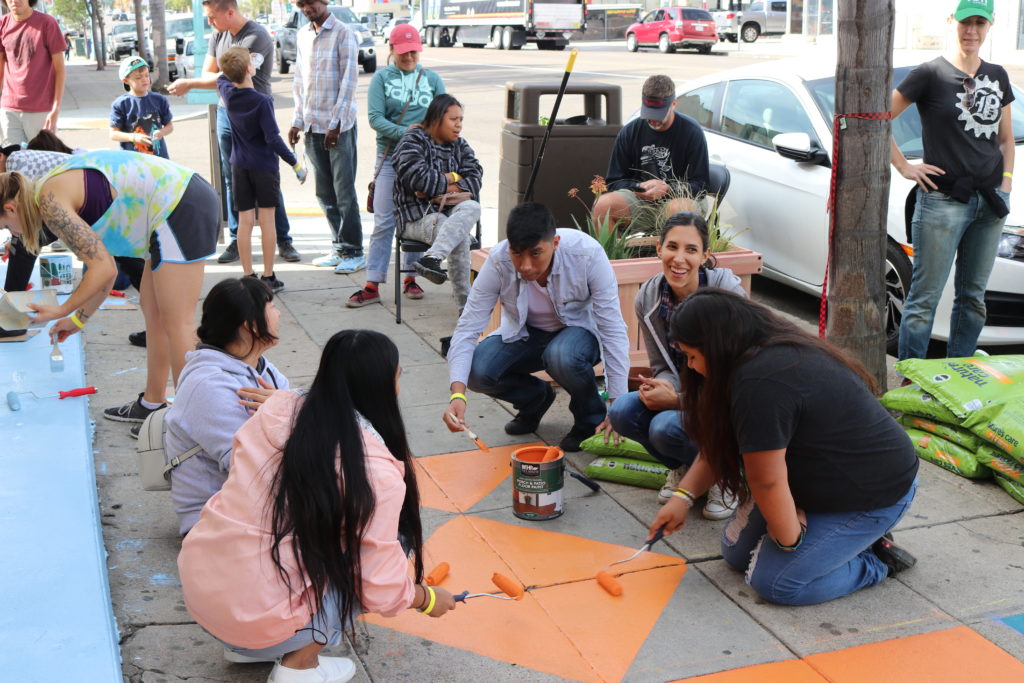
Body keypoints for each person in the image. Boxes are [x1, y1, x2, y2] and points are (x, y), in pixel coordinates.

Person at [178, 330, 456, 679]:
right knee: (390, 546)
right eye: (398, 376)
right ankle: (299, 667)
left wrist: (283, 401)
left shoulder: (278, 410)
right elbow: (379, 585)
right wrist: (426, 599)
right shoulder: (374, 470)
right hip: (255, 616)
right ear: (383, 387)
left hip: (202, 592)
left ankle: (250, 646)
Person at [650, 289, 919, 606]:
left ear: (717, 345)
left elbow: (767, 481)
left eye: (693, 356)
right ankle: (831, 542)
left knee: (777, 584)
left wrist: (790, 538)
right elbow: (723, 441)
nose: (691, 367)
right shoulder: (749, 355)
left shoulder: (761, 382)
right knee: (736, 554)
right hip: (816, 481)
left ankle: (873, 561)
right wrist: (684, 496)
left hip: (873, 492)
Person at [0, 150, 220, 429]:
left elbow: (101, 269)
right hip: (171, 206)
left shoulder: (49, 200)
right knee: (153, 312)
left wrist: (61, 309)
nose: (13, 236)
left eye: (6, 227)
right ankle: (152, 404)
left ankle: (190, 425)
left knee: (177, 322)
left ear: (10, 208)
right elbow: (108, 271)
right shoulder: (47, 193)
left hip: (179, 204)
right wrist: (78, 318)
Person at [443, 202, 630, 453]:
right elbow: (467, 327)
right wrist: (457, 395)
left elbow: (612, 327)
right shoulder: (499, 260)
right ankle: (534, 399)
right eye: (517, 253)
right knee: (477, 371)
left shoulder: (587, 254)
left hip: (579, 333)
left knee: (561, 355)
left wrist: (618, 407)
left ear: (555, 243)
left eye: (535, 253)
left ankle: (589, 419)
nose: (526, 265)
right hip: (526, 334)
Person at [891, 0, 1013, 361]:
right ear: (952, 22)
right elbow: (880, 117)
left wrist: (1005, 186)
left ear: (990, 26)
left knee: (973, 299)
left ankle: (958, 376)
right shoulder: (930, 73)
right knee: (924, 300)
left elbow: (1006, 140)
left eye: (979, 22)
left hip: (989, 203)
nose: (971, 30)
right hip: (941, 202)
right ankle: (912, 387)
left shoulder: (998, 75)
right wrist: (904, 166)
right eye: (965, 22)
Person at [607, 212, 743, 518]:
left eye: (691, 250)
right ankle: (686, 466)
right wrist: (664, 385)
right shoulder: (649, 296)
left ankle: (726, 474)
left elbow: (738, 384)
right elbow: (662, 364)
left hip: (730, 405)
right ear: (659, 248)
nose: (679, 259)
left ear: (706, 256)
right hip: (687, 392)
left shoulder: (726, 295)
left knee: (665, 427)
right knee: (622, 412)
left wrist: (677, 401)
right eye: (672, 247)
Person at [167, 0, 301, 265]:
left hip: (257, 113)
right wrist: (207, 79)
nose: (210, 23)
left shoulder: (256, 36)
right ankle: (235, 239)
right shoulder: (218, 35)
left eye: (212, 17)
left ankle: (283, 239)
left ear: (229, 12)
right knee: (233, 178)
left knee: (267, 177)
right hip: (227, 114)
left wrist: (191, 83)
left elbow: (226, 77)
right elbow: (213, 74)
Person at [164, 277, 289, 536]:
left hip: (257, 504)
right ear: (250, 325)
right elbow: (248, 467)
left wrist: (289, 409)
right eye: (271, 307)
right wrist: (288, 413)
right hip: (219, 522)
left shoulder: (263, 368)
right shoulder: (209, 385)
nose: (278, 314)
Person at [346, 23, 446, 308]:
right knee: (384, 222)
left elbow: (444, 114)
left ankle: (410, 277)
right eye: (403, 52)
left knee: (414, 219)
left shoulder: (432, 78)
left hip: (423, 161)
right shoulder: (381, 78)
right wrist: (410, 131)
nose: (409, 57)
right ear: (391, 50)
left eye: (413, 51)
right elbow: (376, 119)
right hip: (389, 159)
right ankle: (371, 283)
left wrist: (424, 135)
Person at [217, 46, 307, 294]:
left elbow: (222, 76)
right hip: (264, 167)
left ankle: (247, 276)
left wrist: (236, 63)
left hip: (239, 165)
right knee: (267, 221)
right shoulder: (263, 101)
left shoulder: (227, 93)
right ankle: (268, 277)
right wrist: (295, 163)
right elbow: (273, 139)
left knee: (245, 221)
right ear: (249, 69)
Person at [382, 93, 481, 308]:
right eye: (453, 120)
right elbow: (420, 180)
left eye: (461, 120)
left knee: (472, 206)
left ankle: (432, 258)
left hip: (450, 213)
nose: (459, 125)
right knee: (460, 236)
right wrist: (455, 178)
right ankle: (465, 308)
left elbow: (475, 177)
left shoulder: (459, 145)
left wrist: (442, 186)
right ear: (436, 119)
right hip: (416, 217)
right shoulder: (412, 141)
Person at [288, 0, 365, 275]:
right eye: (302, 4)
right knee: (324, 193)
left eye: (311, 2)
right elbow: (299, 80)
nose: (307, 7)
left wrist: (336, 124)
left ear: (324, 2)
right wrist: (297, 121)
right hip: (312, 126)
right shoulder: (303, 35)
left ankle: (354, 251)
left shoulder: (344, 33)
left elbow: (349, 82)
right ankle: (340, 247)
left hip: (339, 129)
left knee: (344, 192)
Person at [593, 74, 709, 229]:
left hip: (680, 199)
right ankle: (613, 253)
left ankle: (669, 252)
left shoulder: (691, 132)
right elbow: (614, 181)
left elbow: (701, 185)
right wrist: (638, 187)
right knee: (603, 205)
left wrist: (668, 189)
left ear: (674, 104)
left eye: (658, 114)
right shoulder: (630, 131)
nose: (653, 119)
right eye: (648, 113)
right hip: (641, 201)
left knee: (676, 210)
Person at [0, 0, 65, 146]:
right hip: (9, 109)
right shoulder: (2, 24)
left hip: (41, 110)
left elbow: (59, 70)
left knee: (42, 163)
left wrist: (55, 108)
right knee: (12, 162)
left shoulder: (47, 23)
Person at [110, 56, 174, 159]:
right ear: (126, 80)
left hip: (159, 159)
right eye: (138, 77)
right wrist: (134, 137)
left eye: (146, 75)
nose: (144, 80)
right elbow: (113, 134)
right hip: (132, 162)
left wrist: (161, 132)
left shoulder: (159, 100)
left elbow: (170, 126)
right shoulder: (121, 104)